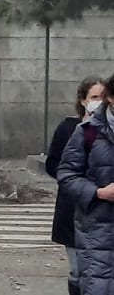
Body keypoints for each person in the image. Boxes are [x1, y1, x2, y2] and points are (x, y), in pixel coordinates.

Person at [58, 73, 114, 295]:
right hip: (97, 232)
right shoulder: (87, 131)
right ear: (110, 98)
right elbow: (66, 175)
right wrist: (98, 192)